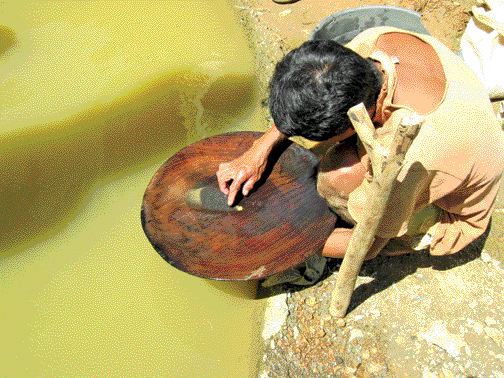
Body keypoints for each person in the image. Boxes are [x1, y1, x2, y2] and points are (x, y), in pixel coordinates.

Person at [216, 26, 504, 260]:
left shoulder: (411, 152)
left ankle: (422, 230)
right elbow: (313, 90)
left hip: (452, 211)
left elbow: (366, 245)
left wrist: (276, 239)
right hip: (457, 124)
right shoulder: (369, 47)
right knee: (325, 161)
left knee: (336, 177)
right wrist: (258, 151)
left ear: (359, 118)